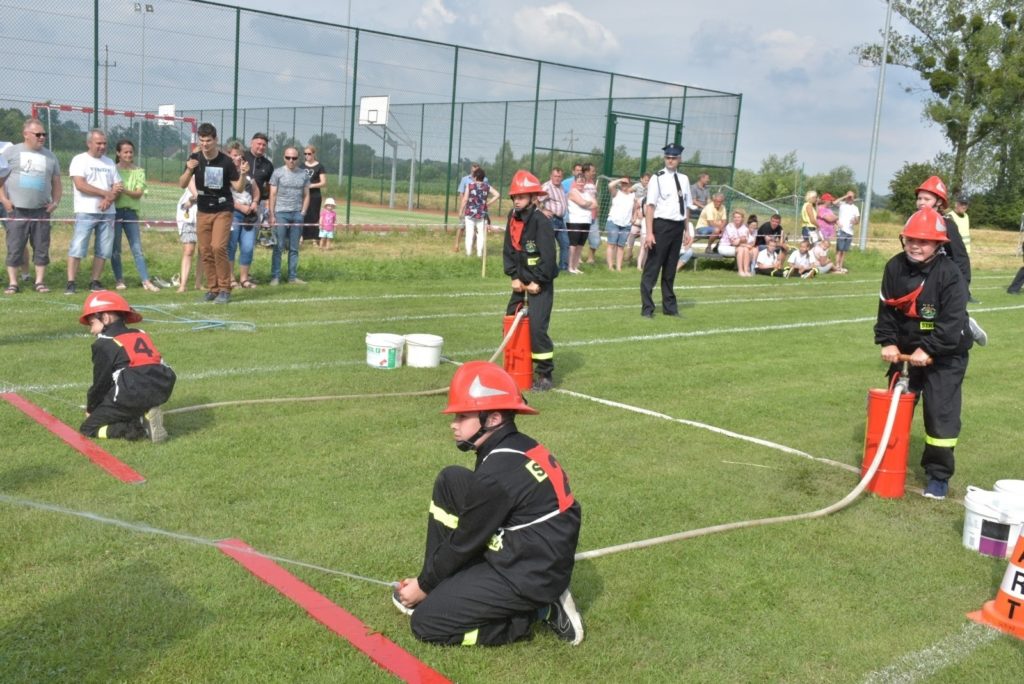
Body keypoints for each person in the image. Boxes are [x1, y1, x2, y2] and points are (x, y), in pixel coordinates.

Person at [392, 360, 583, 646]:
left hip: (531, 570)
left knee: (426, 623)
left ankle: (539, 610)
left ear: (492, 419)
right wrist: (429, 581)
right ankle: (439, 586)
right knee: (451, 480)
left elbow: (465, 541)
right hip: (534, 545)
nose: (453, 424)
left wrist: (422, 585)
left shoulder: (496, 474)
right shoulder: (512, 445)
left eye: (462, 416)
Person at [874, 207, 974, 500]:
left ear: (938, 244)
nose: (916, 246)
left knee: (940, 415)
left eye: (924, 241)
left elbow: (952, 322)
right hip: (906, 350)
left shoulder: (950, 274)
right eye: (911, 240)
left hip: (946, 353)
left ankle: (938, 477)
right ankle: (887, 463)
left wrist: (928, 348)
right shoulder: (894, 267)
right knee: (894, 409)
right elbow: (886, 310)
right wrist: (888, 342)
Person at [78, 290, 176, 443]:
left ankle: (136, 427)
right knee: (125, 388)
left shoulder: (104, 343)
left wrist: (91, 409)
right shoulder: (140, 333)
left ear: (105, 317)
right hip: (162, 388)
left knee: (88, 428)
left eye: (92, 324)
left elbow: (101, 383)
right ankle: (144, 410)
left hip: (132, 391)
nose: (91, 330)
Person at [502, 170, 557, 391]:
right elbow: (508, 249)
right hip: (521, 280)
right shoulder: (512, 217)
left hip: (540, 284)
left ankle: (544, 373)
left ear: (533, 198)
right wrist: (514, 276)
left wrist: (538, 282)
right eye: (515, 197)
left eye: (522, 197)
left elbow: (549, 258)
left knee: (536, 328)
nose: (517, 201)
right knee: (510, 321)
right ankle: (514, 367)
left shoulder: (541, 222)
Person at [179, 123, 246, 304]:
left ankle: (225, 289)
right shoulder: (194, 158)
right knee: (205, 250)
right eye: (202, 140)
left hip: (223, 209)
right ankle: (213, 289)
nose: (205, 144)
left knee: (218, 247)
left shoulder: (226, 162)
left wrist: (243, 175)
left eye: (208, 140)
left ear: (215, 140)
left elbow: (239, 187)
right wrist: (189, 169)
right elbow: (182, 183)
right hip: (203, 210)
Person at [915, 175, 986, 339]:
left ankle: (965, 326)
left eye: (927, 199)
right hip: (922, 280)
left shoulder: (947, 224)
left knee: (942, 322)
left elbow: (961, 258)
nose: (921, 202)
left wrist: (963, 286)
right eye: (919, 198)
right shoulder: (915, 221)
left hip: (944, 282)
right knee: (924, 322)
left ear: (939, 202)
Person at [2, 119, 62, 295]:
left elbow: (57, 183)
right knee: (15, 247)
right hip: (16, 209)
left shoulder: (50, 157)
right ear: (26, 134)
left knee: (41, 247)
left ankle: (40, 282)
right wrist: (4, 200)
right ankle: (13, 283)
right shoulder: (11, 153)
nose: (42, 137)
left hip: (41, 210)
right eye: (38, 134)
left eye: (44, 134)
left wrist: (55, 203)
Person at [66, 129, 123, 295]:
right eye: (99, 143)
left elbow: (118, 186)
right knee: (78, 246)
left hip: (108, 213)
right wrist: (105, 193)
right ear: (89, 143)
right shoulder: (79, 160)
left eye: (104, 143)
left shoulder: (109, 163)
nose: (102, 146)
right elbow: (80, 185)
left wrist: (109, 199)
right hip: (86, 211)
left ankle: (95, 281)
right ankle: (71, 282)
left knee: (104, 249)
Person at [641, 143, 690, 318]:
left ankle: (670, 308)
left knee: (670, 270)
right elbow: (650, 207)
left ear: (679, 159)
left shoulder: (684, 179)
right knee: (653, 268)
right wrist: (649, 233)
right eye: (668, 157)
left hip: (677, 226)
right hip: (661, 226)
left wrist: (687, 231)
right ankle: (647, 308)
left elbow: (686, 206)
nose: (670, 160)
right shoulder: (657, 178)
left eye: (674, 158)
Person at [111, 140, 159, 292]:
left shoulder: (138, 171)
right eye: (125, 152)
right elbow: (111, 190)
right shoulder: (112, 169)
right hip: (115, 212)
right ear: (118, 153)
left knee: (137, 248)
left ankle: (146, 280)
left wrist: (123, 190)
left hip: (131, 213)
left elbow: (138, 193)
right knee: (115, 248)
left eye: (131, 152)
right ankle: (119, 280)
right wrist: (115, 192)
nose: (128, 155)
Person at [268, 147, 310, 285]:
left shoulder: (303, 174)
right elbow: (272, 194)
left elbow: (306, 195)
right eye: (288, 158)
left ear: (298, 159)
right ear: (284, 158)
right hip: (281, 213)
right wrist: (272, 214)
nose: (291, 160)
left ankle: (292, 277)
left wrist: (303, 212)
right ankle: (275, 277)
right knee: (278, 246)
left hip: (297, 214)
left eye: (294, 158)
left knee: (294, 248)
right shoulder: (277, 173)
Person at [225, 141, 260, 289]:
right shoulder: (226, 171)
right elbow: (224, 196)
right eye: (234, 155)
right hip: (233, 213)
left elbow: (256, 191)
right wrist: (240, 207)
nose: (237, 158)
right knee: (231, 246)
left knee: (248, 247)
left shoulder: (247, 172)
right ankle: (230, 278)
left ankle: (244, 279)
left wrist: (255, 203)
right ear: (228, 156)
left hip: (248, 215)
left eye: (240, 155)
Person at [459, 167, 499, 257]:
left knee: (469, 234)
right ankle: (479, 253)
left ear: (475, 177)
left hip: (469, 214)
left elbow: (465, 199)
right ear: (483, 177)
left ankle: (468, 253)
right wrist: (488, 203)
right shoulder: (487, 186)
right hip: (481, 214)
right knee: (480, 234)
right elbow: (497, 194)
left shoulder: (470, 185)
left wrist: (460, 211)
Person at [565, 164, 597, 274]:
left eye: (583, 181)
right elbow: (582, 203)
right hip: (575, 222)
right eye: (579, 181)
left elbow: (595, 205)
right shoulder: (573, 192)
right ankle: (570, 267)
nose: (581, 183)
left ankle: (575, 266)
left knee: (580, 246)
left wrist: (586, 204)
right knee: (573, 246)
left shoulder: (587, 193)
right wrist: (587, 204)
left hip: (586, 222)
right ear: (575, 182)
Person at [540, 168, 568, 272]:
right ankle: (550, 268)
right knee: (550, 246)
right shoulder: (546, 187)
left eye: (559, 176)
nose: (557, 178)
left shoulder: (561, 186)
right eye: (555, 176)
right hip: (551, 219)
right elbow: (535, 200)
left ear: (562, 177)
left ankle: (563, 268)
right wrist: (542, 210)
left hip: (561, 220)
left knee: (565, 244)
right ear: (551, 176)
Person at [605, 176, 633, 272]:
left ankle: (619, 267)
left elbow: (635, 207)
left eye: (626, 183)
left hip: (626, 224)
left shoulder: (632, 196)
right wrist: (620, 180)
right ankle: (610, 266)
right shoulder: (616, 192)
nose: (624, 185)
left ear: (630, 184)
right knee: (611, 244)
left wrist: (634, 217)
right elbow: (610, 185)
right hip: (614, 222)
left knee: (621, 246)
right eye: (623, 183)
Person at [174, 186, 198, 294]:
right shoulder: (191, 181)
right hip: (188, 220)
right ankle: (183, 285)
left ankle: (199, 283)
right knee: (188, 250)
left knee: (204, 250)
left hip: (204, 217)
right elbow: (183, 206)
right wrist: (191, 200)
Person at [301, 145, 327, 243]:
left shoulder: (319, 166)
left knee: (314, 216)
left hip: (315, 195)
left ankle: (314, 238)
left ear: (314, 154)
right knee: (302, 214)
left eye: (309, 154)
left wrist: (311, 185)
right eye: (305, 154)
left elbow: (323, 182)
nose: (307, 155)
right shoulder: (301, 166)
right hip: (303, 195)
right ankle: (301, 237)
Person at [835, 191, 860, 274]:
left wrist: (855, 221)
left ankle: (841, 266)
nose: (850, 198)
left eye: (851, 197)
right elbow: (834, 202)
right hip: (842, 230)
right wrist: (845, 196)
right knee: (839, 249)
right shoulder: (842, 204)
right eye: (849, 197)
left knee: (844, 251)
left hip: (850, 232)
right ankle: (836, 266)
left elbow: (857, 221)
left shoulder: (855, 208)